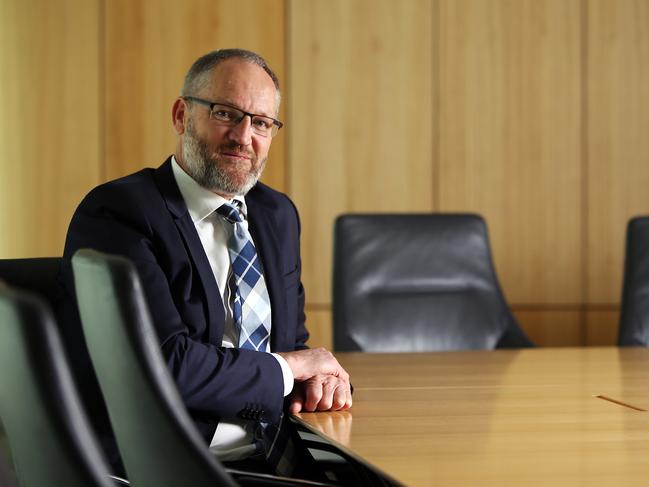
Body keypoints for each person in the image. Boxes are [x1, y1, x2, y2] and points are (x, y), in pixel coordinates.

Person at [58, 48, 351, 478]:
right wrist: (291, 367)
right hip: (170, 465)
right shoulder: (119, 212)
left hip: (279, 457)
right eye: (225, 113)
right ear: (181, 116)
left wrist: (321, 379)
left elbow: (291, 345)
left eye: (262, 123)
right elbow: (161, 365)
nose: (243, 136)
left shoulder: (277, 215)